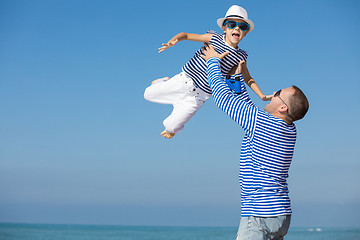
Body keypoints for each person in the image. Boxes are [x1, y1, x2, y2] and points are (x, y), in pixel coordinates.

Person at [200, 43, 309, 240]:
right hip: (281, 215)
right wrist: (236, 77)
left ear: (283, 108)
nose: (272, 94)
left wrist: (212, 62)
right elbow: (246, 107)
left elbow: (223, 98)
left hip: (260, 213)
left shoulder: (262, 123)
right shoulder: (287, 129)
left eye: (277, 94)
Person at [144, 5, 272, 139]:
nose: (237, 28)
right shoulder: (213, 38)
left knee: (171, 127)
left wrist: (262, 96)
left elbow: (248, 78)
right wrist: (173, 41)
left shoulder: (240, 56)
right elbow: (186, 35)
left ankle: (172, 127)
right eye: (232, 24)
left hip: (198, 97)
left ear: (246, 32)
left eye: (242, 27)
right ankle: (163, 81)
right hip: (183, 81)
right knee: (147, 94)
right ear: (224, 28)